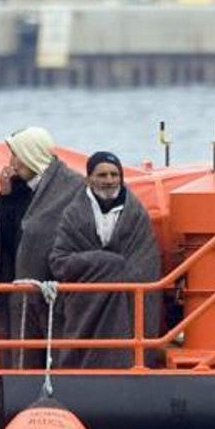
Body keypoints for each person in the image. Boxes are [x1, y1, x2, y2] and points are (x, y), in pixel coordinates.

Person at [0, 127, 84, 368]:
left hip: (54, 292)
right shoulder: (17, 189)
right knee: (21, 353)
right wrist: (6, 197)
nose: (12, 162)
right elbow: (8, 237)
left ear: (32, 154)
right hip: (21, 290)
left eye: (16, 155)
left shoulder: (71, 187)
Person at [50, 151, 162, 368]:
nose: (109, 181)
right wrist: (104, 263)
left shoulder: (136, 214)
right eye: (102, 175)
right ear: (88, 179)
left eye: (114, 174)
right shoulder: (74, 214)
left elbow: (146, 260)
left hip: (128, 299)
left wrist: (120, 273)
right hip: (86, 298)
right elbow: (59, 261)